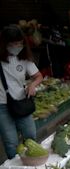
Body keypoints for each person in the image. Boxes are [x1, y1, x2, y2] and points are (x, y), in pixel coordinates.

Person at [0, 25, 43, 159]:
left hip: (22, 103)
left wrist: (32, 85)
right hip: (2, 106)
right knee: (11, 141)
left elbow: (38, 76)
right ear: (5, 44)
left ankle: (31, 164)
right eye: (14, 44)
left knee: (30, 136)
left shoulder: (24, 58)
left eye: (20, 43)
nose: (17, 46)